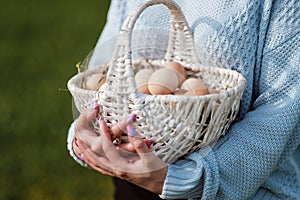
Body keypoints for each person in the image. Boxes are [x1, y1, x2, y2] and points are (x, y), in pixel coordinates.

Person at [67, 0, 300, 199]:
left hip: (242, 188)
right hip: (133, 181)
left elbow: (282, 109)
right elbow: (104, 71)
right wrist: (93, 136)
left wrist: (182, 179)